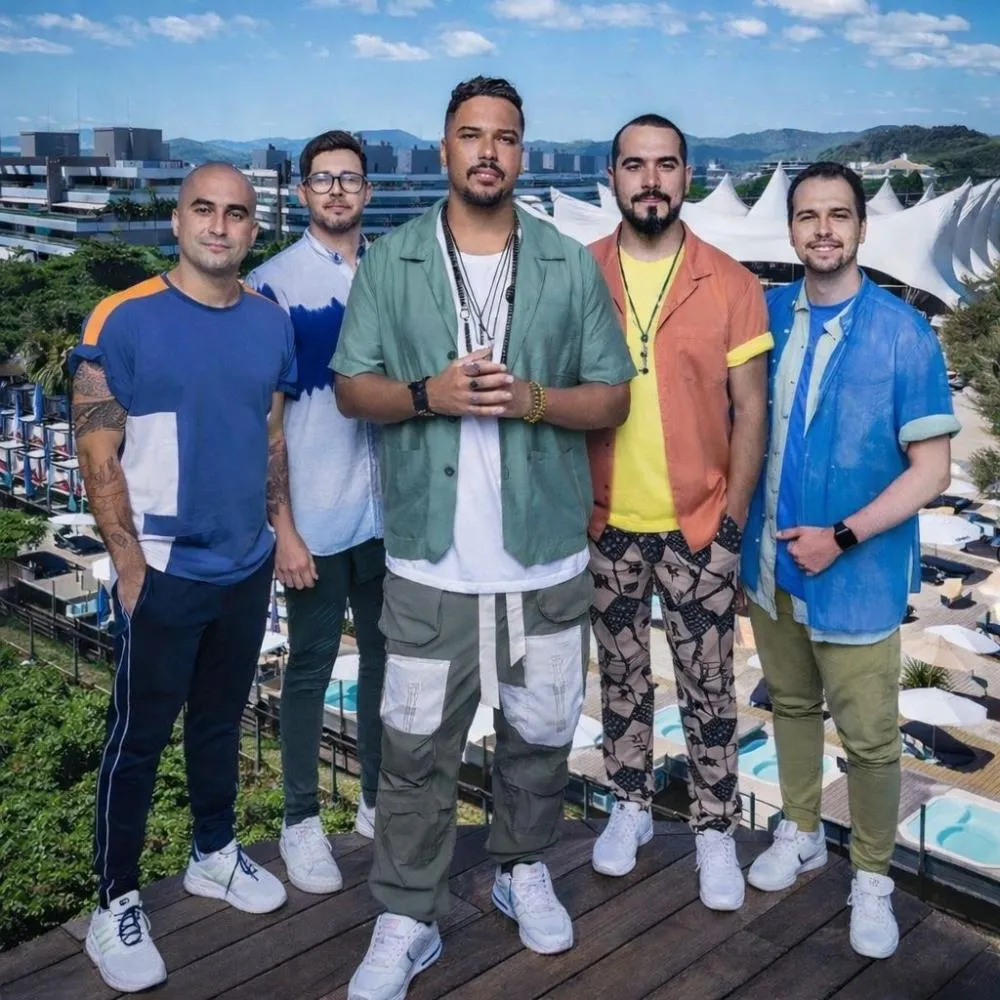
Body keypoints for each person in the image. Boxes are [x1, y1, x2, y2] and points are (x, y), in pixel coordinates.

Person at [331, 76, 635, 1000]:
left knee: (539, 734)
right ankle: (407, 914)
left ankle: (522, 867)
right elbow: (353, 388)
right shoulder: (392, 263)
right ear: (444, 150)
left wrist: (535, 401)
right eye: (472, 135)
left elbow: (612, 395)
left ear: (523, 152)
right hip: (430, 560)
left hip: (544, 556)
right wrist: (431, 395)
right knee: (416, 748)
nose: (489, 151)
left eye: (506, 137)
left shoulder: (565, 263)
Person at [72, 162, 296, 993]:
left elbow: (271, 436)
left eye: (237, 214)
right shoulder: (123, 319)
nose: (220, 225)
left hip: (245, 567)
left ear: (251, 229)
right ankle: (114, 901)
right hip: (162, 571)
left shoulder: (270, 325)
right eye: (204, 209)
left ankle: (212, 851)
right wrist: (129, 564)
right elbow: (97, 448)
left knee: (218, 723)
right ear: (176, 220)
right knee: (136, 741)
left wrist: (277, 534)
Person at [742, 161, 958, 959]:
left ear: (862, 228)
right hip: (771, 570)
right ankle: (799, 829)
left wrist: (844, 537)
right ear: (791, 229)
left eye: (839, 215)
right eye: (808, 216)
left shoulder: (905, 334)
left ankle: (872, 874)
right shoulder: (766, 317)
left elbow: (930, 471)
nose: (823, 229)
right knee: (790, 708)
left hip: (856, 575)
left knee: (871, 741)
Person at [586, 114, 771, 911]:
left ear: (688, 175)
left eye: (666, 164)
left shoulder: (730, 281)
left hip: (699, 526)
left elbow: (752, 411)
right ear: (615, 177)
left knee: (709, 690)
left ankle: (715, 830)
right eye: (635, 165)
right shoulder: (577, 272)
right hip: (605, 523)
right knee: (621, 679)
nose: (651, 179)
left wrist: (730, 523)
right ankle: (628, 805)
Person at [246, 130, 386, 897]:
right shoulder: (274, 285)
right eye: (322, 179)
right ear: (302, 193)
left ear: (367, 191)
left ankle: (372, 800)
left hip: (386, 517)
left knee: (384, 661)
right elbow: (267, 423)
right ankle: (300, 821)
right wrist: (285, 528)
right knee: (307, 671)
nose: (337, 191)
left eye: (350, 179)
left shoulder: (394, 275)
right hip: (318, 521)